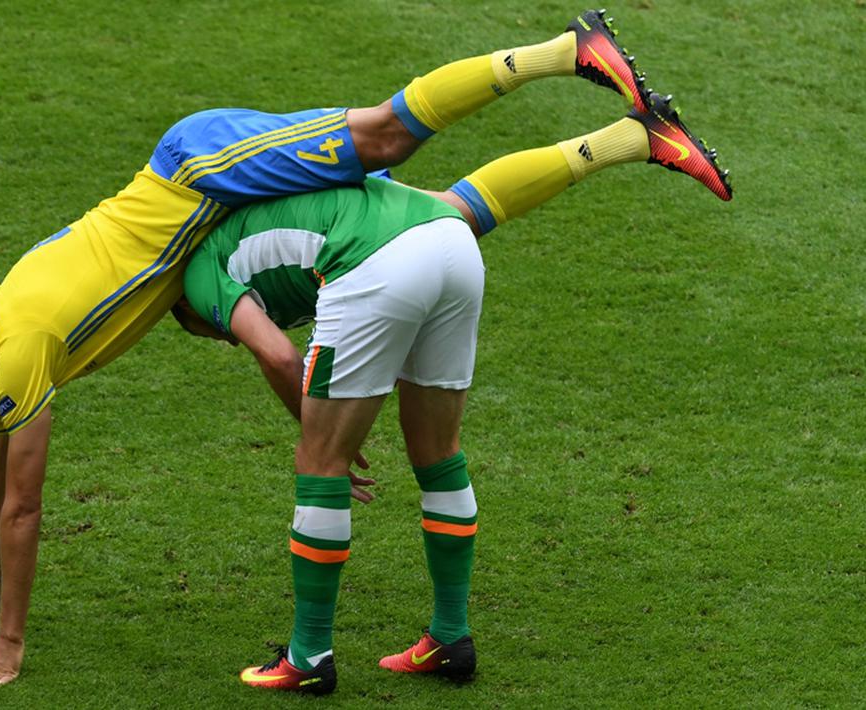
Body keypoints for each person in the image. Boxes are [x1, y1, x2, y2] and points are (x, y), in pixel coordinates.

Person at [0, 10, 730, 689]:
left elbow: (21, 510)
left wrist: (9, 647)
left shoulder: (18, 349)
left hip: (197, 166)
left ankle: (563, 50)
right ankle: (630, 138)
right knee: (447, 211)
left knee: (387, 135)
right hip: (286, 216)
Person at [173, 81, 728, 693]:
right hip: (451, 241)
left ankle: (307, 659)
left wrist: (319, 435)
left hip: (374, 263)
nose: (221, 336)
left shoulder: (195, 275)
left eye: (211, 334)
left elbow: (277, 353)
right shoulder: (274, 200)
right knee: (438, 454)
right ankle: (448, 638)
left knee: (320, 464)